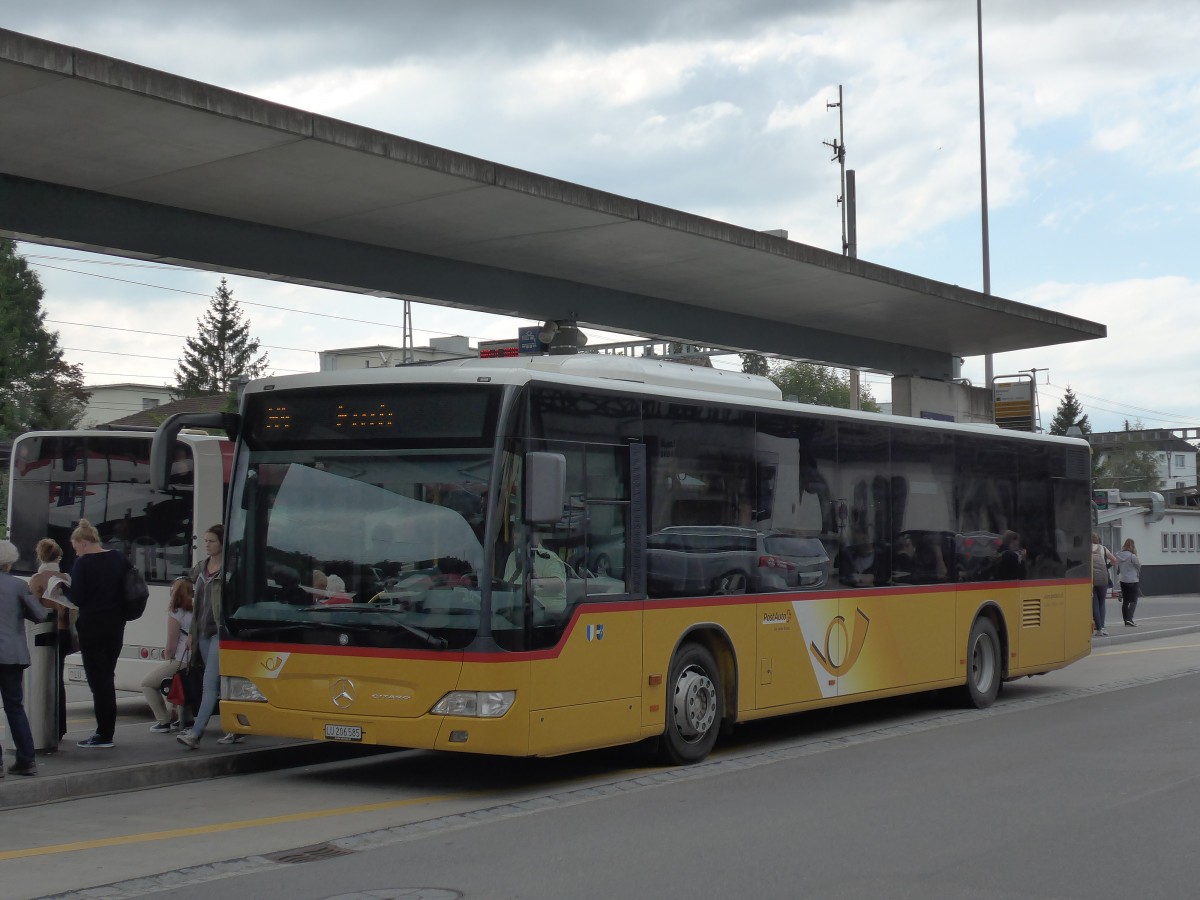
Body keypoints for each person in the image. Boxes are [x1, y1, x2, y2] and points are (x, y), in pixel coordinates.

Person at [177, 525, 243, 748]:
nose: (207, 544)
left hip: (219, 632)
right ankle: (236, 728)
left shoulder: (230, 570)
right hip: (203, 632)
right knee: (222, 682)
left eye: (212, 541)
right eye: (206, 541)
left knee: (210, 683)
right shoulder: (202, 568)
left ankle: (195, 733)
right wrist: (192, 635)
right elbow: (194, 600)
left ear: (223, 543)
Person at [70, 518, 130, 748]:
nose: (76, 553)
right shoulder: (118, 557)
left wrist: (63, 586)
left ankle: (104, 733)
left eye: (76, 548)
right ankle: (107, 730)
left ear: (83, 543)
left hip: (92, 627)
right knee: (108, 677)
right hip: (116, 626)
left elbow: (77, 598)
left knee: (98, 681)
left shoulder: (83, 564)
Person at [0, 539, 50, 776]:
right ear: (8, 564)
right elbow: (40, 615)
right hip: (13, 655)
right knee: (14, 707)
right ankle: (26, 760)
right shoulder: (19, 586)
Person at [27, 538, 73, 741]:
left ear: (40, 557)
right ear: (59, 557)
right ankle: (60, 726)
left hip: (41, 633)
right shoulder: (67, 578)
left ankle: (42, 725)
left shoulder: (36, 579)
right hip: (64, 633)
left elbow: (32, 608)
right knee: (58, 679)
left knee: (41, 680)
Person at [141, 578, 193, 732]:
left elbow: (171, 644)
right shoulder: (196, 610)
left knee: (147, 683)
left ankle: (164, 720)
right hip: (194, 660)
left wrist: (167, 658)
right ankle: (187, 718)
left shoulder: (176, 613)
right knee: (180, 682)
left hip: (180, 659)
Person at [1090, 533, 1118, 638]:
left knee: (1094, 604)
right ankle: (1103, 627)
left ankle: (1099, 629)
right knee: (1102, 603)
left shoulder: (1086, 548)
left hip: (1091, 579)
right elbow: (1114, 560)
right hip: (1102, 578)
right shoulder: (1103, 548)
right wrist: (1107, 566)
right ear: (1098, 540)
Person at [1115, 538, 1142, 627]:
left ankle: (1126, 620)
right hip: (1133, 580)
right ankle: (1129, 618)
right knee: (1134, 600)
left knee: (1125, 601)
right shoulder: (1132, 556)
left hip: (1123, 580)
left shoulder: (1118, 554)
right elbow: (1139, 566)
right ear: (1132, 546)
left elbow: (1118, 566)